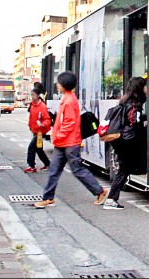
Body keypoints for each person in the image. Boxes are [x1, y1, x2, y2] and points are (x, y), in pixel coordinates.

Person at [34, 71, 108, 209]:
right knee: (54, 170)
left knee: (77, 169)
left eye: (59, 83)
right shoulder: (67, 98)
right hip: (63, 142)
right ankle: (48, 198)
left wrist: (58, 135)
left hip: (69, 142)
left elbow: (69, 122)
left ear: (64, 85)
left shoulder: (69, 100)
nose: (57, 85)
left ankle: (100, 191)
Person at [104, 77, 147, 210]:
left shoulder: (124, 101)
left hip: (119, 140)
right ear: (139, 88)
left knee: (124, 168)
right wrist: (144, 124)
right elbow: (135, 123)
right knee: (124, 169)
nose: (147, 88)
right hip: (127, 141)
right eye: (145, 86)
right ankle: (111, 200)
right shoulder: (135, 104)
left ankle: (111, 199)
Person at [24, 89, 51, 173]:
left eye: (33, 95)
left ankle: (31, 166)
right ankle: (47, 164)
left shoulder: (42, 106)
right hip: (35, 130)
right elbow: (31, 118)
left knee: (31, 147)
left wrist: (43, 124)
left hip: (40, 132)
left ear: (38, 95)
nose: (31, 97)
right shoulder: (33, 105)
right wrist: (30, 126)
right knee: (38, 148)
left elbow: (47, 119)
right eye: (31, 95)